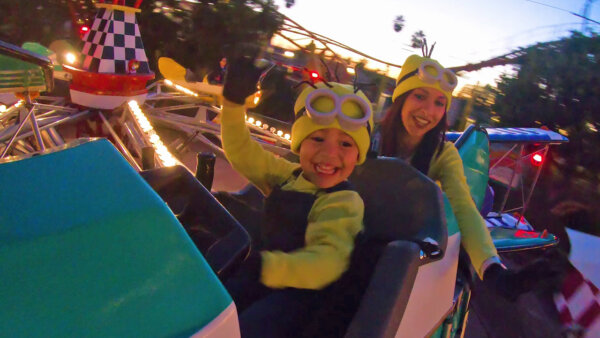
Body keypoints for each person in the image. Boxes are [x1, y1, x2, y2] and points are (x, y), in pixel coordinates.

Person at [377, 53, 559, 300]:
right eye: (419, 96)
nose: (428, 111)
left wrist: (494, 270)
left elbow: (464, 209)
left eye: (440, 103)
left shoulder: (443, 154)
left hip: (400, 256)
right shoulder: (368, 139)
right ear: (400, 97)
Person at [220, 55, 372, 337]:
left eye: (345, 144)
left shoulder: (343, 201)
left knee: (241, 328)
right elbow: (242, 152)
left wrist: (267, 267)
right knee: (212, 301)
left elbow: (327, 262)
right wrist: (233, 102)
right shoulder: (288, 175)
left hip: (300, 298)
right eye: (317, 139)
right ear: (300, 141)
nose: (329, 154)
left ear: (358, 154)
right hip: (262, 275)